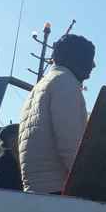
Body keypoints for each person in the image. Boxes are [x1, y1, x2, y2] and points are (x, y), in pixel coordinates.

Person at [18, 33, 95, 194]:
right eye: (89, 58)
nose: (93, 65)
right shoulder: (65, 83)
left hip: (37, 191)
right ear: (75, 58)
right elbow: (71, 145)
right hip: (58, 190)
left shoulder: (40, 86)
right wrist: (91, 185)